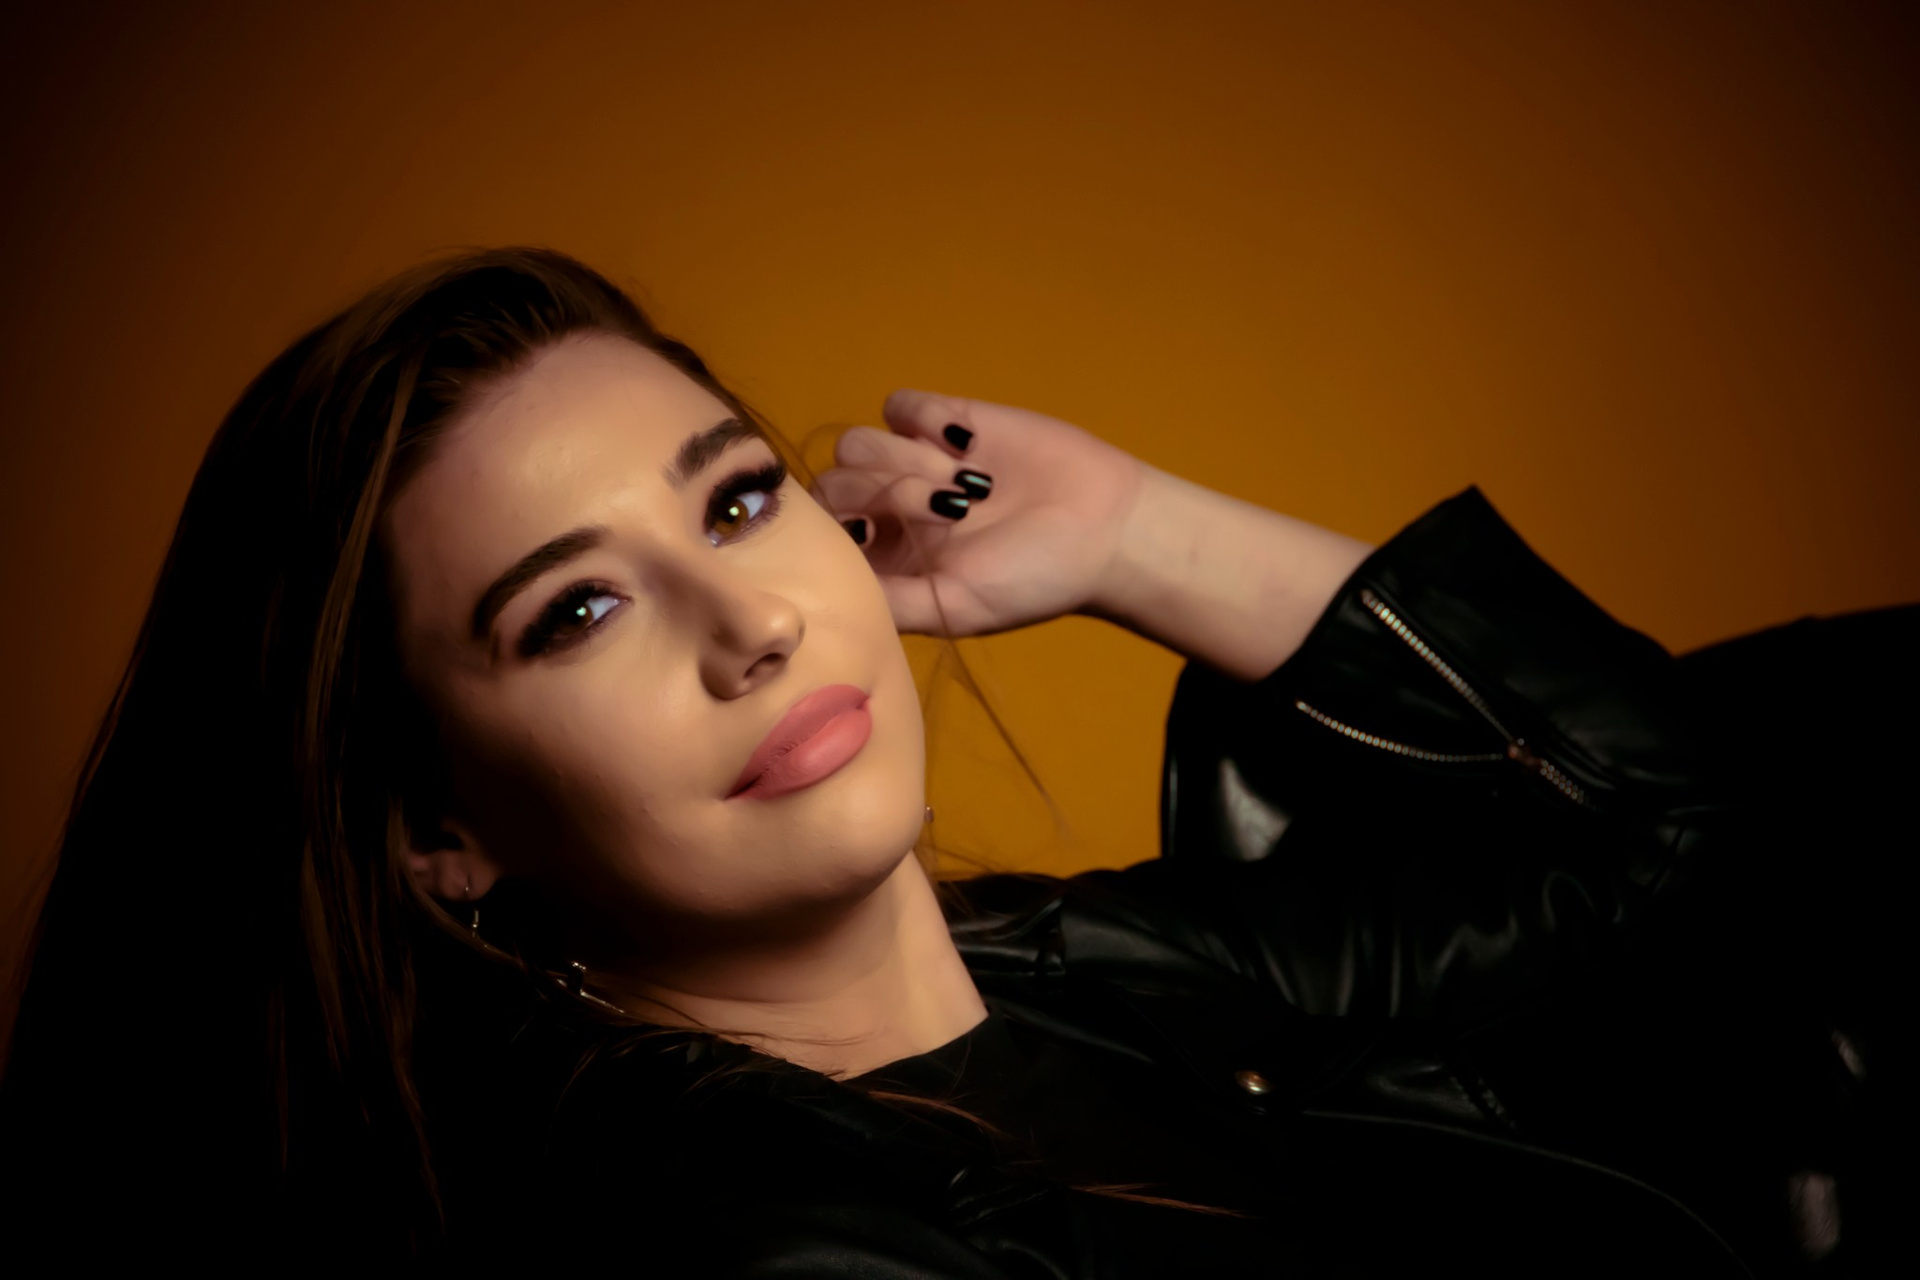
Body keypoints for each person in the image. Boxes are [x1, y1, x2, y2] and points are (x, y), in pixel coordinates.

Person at [0, 247, 1901, 1274]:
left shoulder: (1090, 972)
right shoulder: (764, 1246)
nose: (750, 625)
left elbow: (1670, 822)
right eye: (575, 610)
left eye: (738, 500)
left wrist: (1134, 532)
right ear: (436, 829)